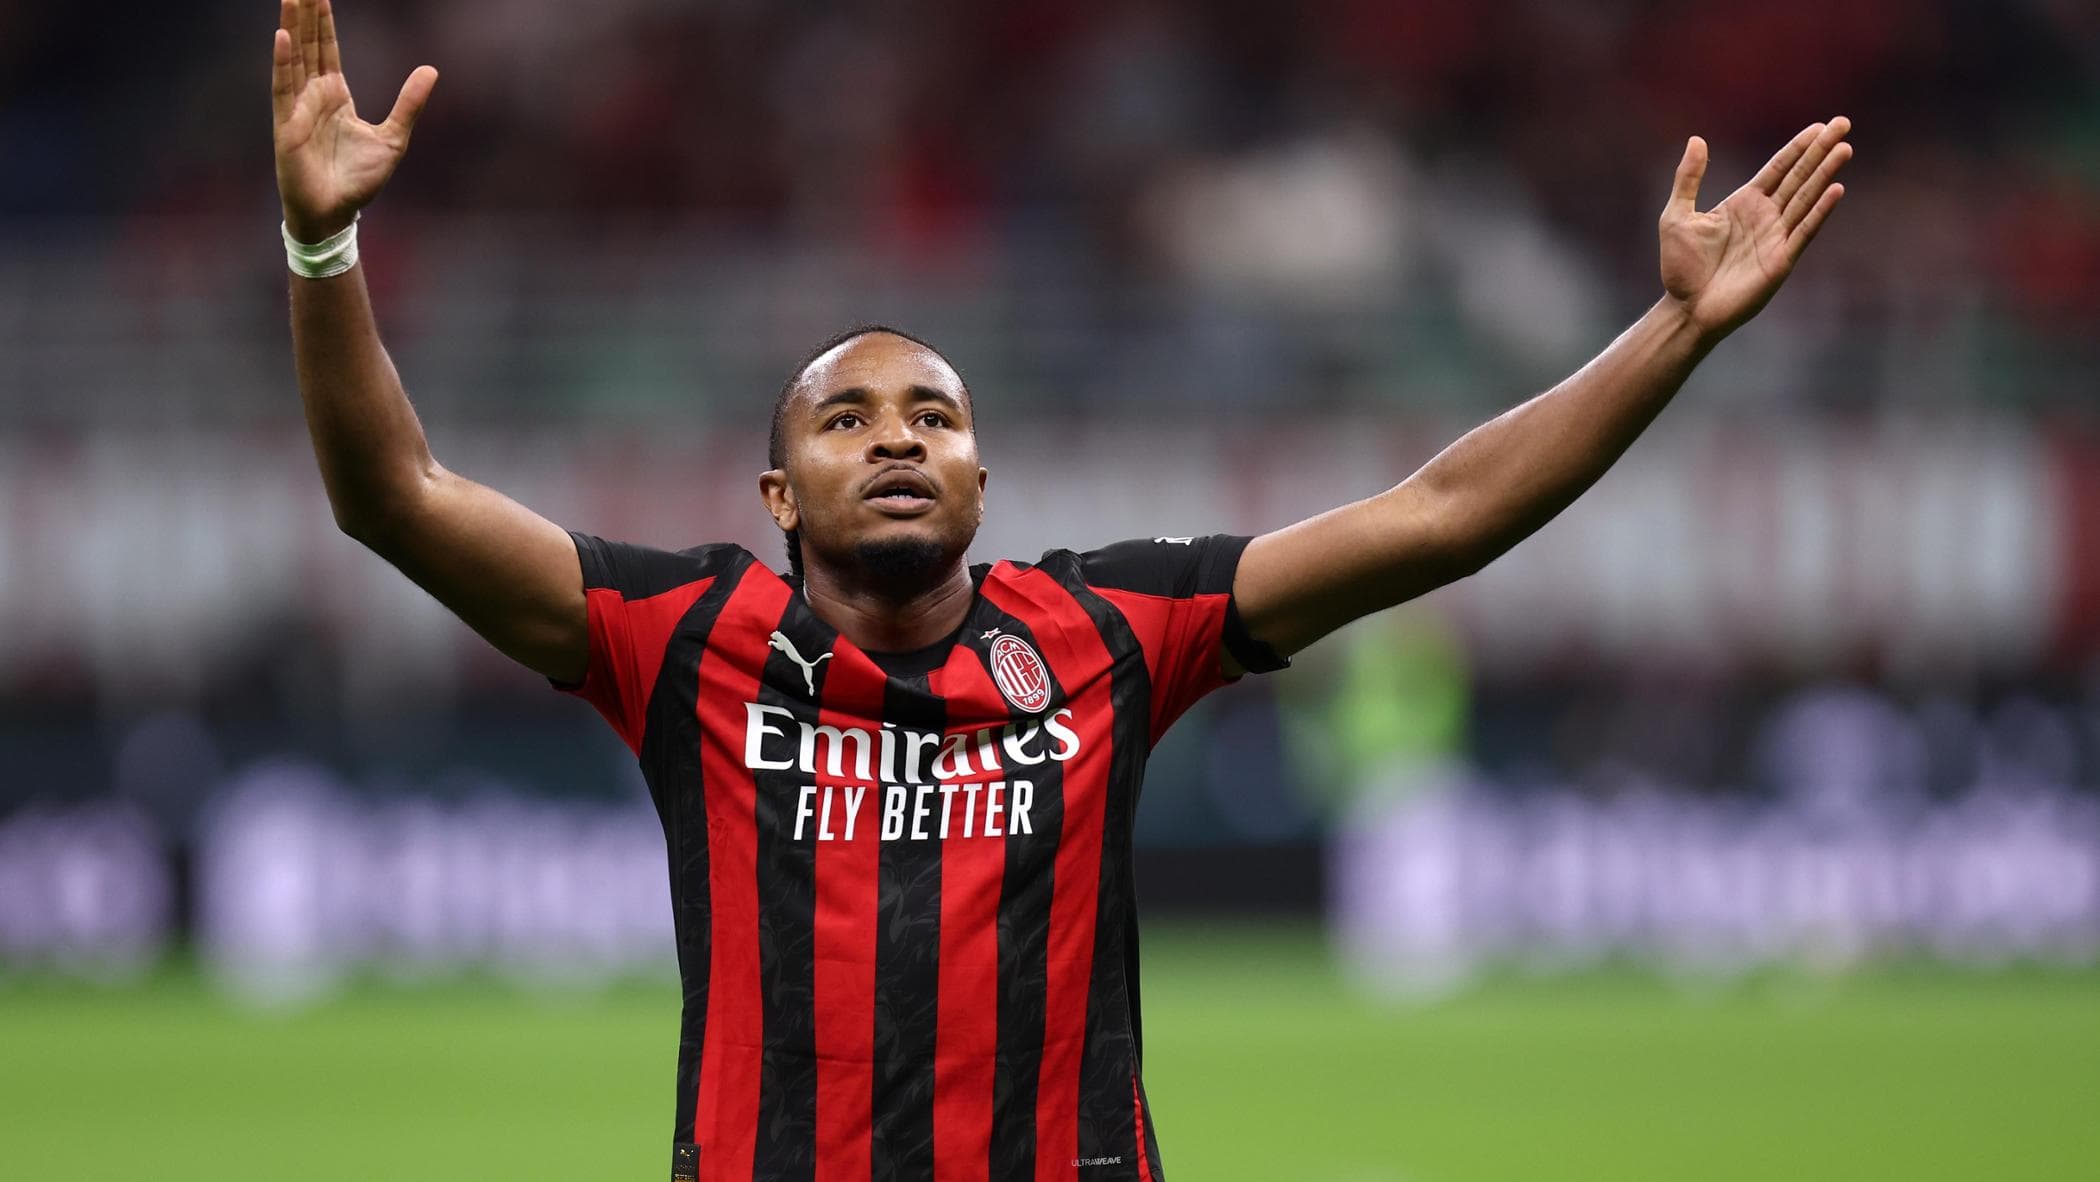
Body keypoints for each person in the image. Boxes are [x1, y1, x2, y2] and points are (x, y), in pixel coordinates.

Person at [269, 2, 1850, 1178]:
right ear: (776, 497)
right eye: (845, 420)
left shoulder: (1106, 630)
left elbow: (1440, 516)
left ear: (983, 482)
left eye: (934, 417)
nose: (898, 437)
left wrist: (1675, 333)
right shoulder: (686, 640)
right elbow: (391, 497)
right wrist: (322, 249)